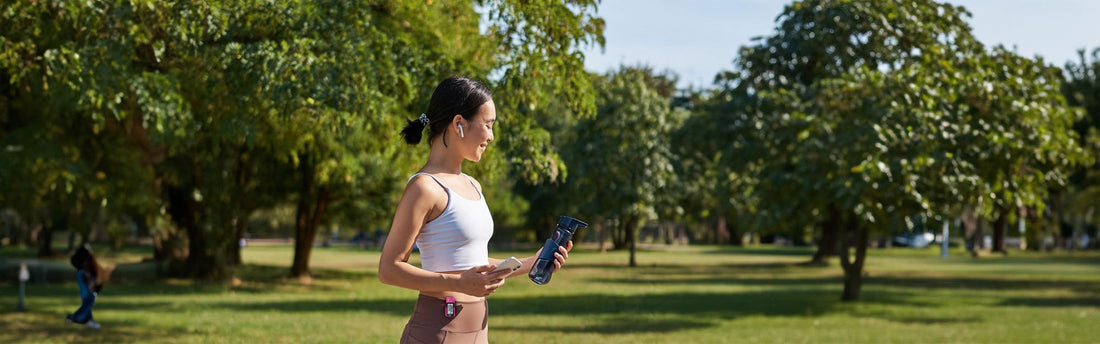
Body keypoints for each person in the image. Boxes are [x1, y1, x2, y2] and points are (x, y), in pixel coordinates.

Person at [378, 76, 573, 344]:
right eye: (488, 125)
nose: (491, 136)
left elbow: (472, 265)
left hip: (479, 331)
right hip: (437, 331)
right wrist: (458, 283)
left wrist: (533, 261)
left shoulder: (473, 185)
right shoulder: (425, 187)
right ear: (459, 124)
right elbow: (389, 269)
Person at [66, 244, 105, 329]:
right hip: (86, 284)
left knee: (88, 303)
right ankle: (72, 317)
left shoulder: (85, 263)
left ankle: (89, 320)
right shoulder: (84, 263)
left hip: (86, 283)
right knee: (88, 302)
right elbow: (87, 275)